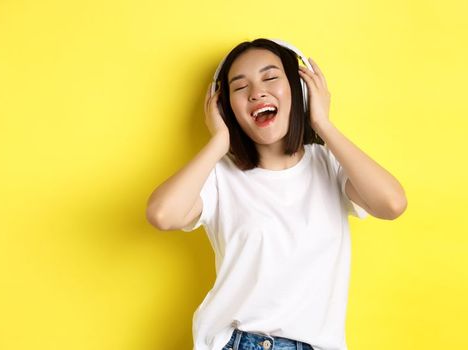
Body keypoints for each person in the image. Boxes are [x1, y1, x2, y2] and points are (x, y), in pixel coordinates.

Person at [146, 38, 407, 350]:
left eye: (270, 78)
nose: (257, 92)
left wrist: (322, 122)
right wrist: (218, 141)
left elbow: (392, 204)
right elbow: (162, 215)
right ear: (226, 108)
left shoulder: (330, 166)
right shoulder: (219, 176)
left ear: (301, 91)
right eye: (240, 87)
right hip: (238, 342)